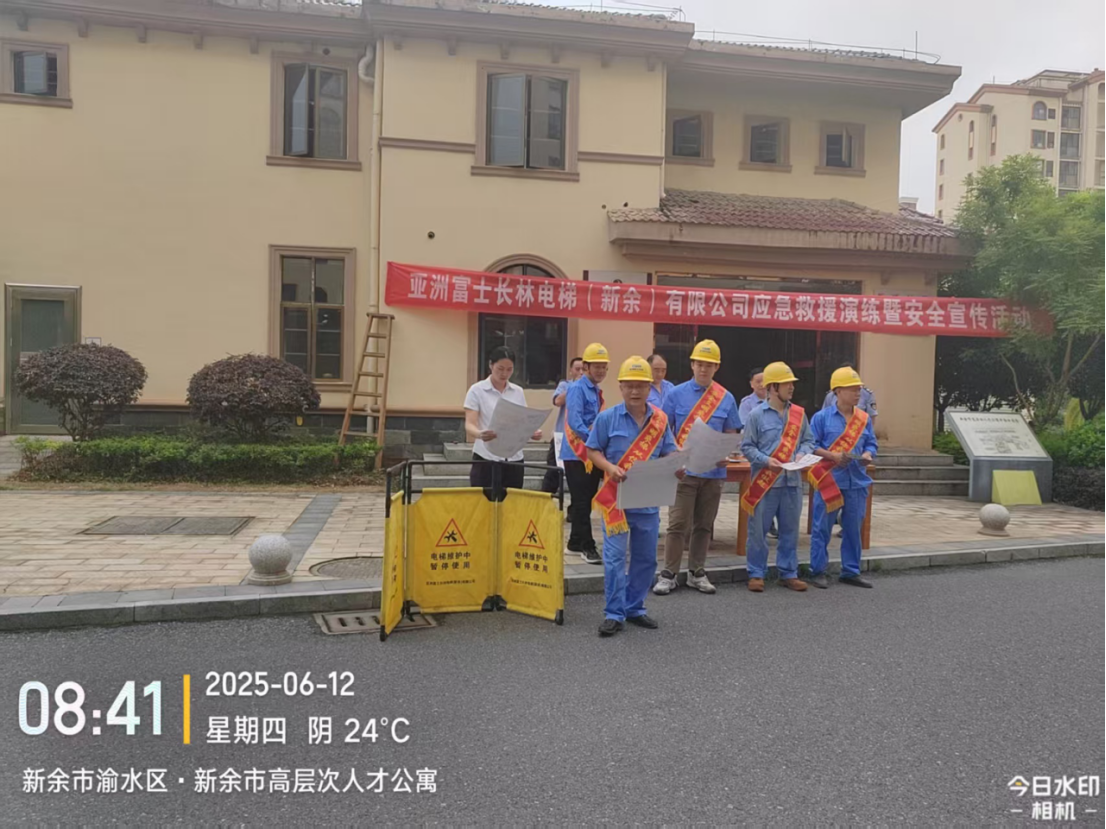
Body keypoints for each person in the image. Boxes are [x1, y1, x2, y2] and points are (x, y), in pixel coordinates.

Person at [586, 356, 682, 637]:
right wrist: (609, 468)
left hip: (648, 498)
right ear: (621, 387)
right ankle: (614, 613)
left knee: (645, 558)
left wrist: (678, 464)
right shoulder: (607, 418)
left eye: (641, 385)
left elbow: (669, 450)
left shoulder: (660, 420)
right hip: (616, 499)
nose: (635, 391)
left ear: (650, 387)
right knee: (615, 558)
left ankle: (635, 607)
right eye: (629, 385)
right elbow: (592, 450)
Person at [655, 339, 742, 596]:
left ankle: (697, 572)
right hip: (684, 471)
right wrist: (672, 455)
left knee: (704, 525)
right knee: (677, 524)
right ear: (692, 364)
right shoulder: (675, 394)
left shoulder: (726, 397)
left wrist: (727, 453)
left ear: (717, 367)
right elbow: (663, 430)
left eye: (709, 365)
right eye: (700, 364)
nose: (704, 369)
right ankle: (669, 573)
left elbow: (731, 433)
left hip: (713, 472)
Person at [739, 361, 815, 593]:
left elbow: (809, 441)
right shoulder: (756, 415)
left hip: (792, 482)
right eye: (786, 383)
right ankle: (756, 573)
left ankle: (788, 572)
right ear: (773, 387)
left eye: (791, 383)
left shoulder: (799, 414)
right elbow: (747, 447)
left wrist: (802, 453)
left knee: (790, 531)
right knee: (758, 531)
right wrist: (766, 460)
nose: (791, 387)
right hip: (765, 482)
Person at [808, 367, 878, 589]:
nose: (858, 393)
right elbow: (810, 445)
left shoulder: (863, 419)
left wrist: (868, 455)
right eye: (852, 389)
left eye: (859, 389)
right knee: (822, 527)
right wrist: (832, 456)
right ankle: (818, 570)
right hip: (829, 479)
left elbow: (871, 443)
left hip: (856, 480)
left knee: (853, 528)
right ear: (837, 391)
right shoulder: (821, 418)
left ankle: (851, 571)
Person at [464, 346, 541, 495]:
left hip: (514, 457)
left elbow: (523, 420)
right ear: (491, 365)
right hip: (487, 456)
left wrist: (532, 431)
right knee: (483, 501)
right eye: (500, 368)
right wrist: (480, 434)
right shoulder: (477, 390)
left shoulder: (517, 391)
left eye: (509, 369)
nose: (504, 373)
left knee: (512, 502)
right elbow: (469, 424)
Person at [562, 342, 610, 565]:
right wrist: (594, 441)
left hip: (589, 453)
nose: (600, 371)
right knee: (582, 501)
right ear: (586, 367)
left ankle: (574, 542)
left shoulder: (595, 390)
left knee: (586, 499)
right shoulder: (577, 388)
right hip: (578, 454)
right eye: (596, 366)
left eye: (604, 367)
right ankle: (587, 546)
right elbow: (575, 422)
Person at [738, 366, 777, 538]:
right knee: (758, 489)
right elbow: (745, 428)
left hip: (776, 456)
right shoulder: (747, 403)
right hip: (756, 453)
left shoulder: (778, 403)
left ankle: (771, 523)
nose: (761, 385)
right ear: (751, 384)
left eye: (764, 381)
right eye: (758, 381)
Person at [541, 356, 585, 494]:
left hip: (579, 439)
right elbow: (558, 401)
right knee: (553, 472)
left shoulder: (590, 388)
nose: (581, 372)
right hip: (562, 436)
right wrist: (575, 387)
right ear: (571, 371)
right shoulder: (565, 385)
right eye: (577, 369)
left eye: (583, 369)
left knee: (577, 476)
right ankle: (545, 500)